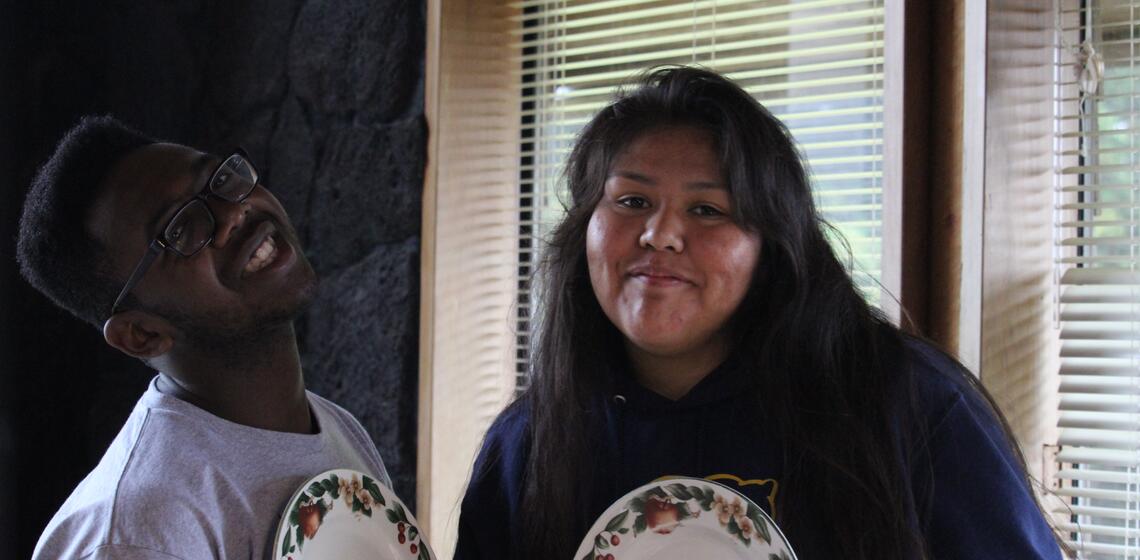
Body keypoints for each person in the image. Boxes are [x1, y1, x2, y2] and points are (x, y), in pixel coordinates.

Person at [454, 67, 1064, 559]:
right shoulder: (529, 443)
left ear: (772, 247)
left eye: (707, 210)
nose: (659, 235)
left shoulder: (904, 402)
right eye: (632, 201)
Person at [18, 115, 391, 559]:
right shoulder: (142, 530)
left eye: (218, 179)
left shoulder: (332, 425)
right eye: (180, 229)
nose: (234, 211)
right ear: (142, 334)